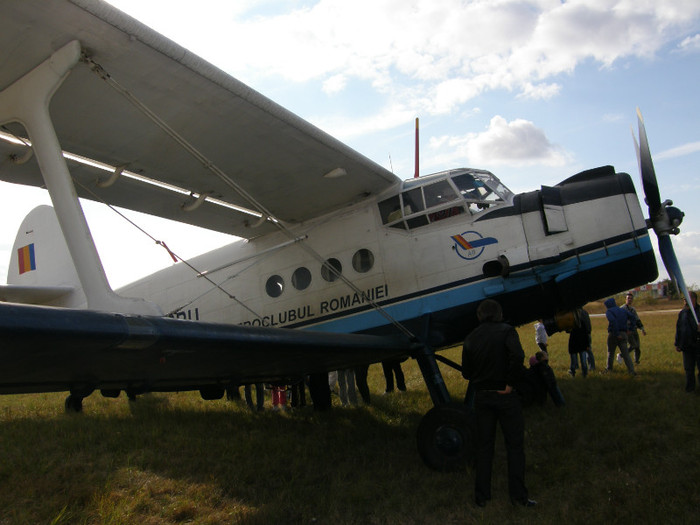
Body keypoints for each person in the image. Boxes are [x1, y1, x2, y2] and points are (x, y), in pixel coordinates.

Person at [462, 299, 536, 508]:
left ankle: (482, 496)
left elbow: (466, 372)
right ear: (499, 314)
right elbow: (518, 356)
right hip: (505, 397)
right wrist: (510, 383)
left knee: (484, 447)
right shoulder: (507, 331)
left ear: (479, 316)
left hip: (483, 398)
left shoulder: (470, 337)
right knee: (514, 446)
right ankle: (518, 497)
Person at [674, 291, 700, 392]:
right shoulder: (682, 313)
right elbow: (679, 329)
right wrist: (677, 343)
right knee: (689, 369)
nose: (684, 301)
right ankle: (690, 389)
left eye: (687, 299)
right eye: (684, 299)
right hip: (686, 345)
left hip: (698, 344)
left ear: (693, 299)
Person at [604, 297, 635, 375]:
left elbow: (613, 321)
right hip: (624, 333)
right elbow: (633, 317)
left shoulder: (609, 311)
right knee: (625, 354)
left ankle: (609, 369)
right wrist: (630, 329)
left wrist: (617, 334)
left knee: (610, 353)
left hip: (614, 334)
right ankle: (631, 371)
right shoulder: (623, 310)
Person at [618, 292, 646, 365]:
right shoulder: (622, 309)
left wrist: (642, 329)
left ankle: (636, 361)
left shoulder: (633, 309)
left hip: (634, 330)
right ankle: (621, 355)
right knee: (633, 345)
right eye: (628, 298)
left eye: (631, 298)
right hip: (628, 330)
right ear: (625, 299)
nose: (629, 300)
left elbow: (637, 319)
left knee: (638, 347)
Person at [568, 308, 592, 378]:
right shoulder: (583, 324)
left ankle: (573, 373)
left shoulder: (572, 325)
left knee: (574, 361)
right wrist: (587, 345)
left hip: (574, 345)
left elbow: (568, 332)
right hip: (582, 345)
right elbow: (586, 334)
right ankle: (584, 374)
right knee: (583, 361)